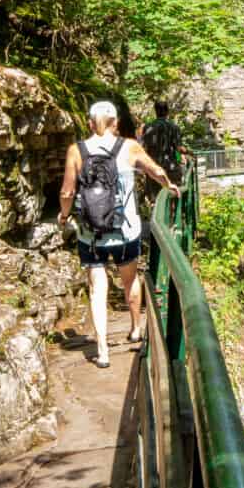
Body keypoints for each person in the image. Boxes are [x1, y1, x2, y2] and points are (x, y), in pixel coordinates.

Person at [58, 100, 179, 368]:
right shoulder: (130, 147)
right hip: (126, 232)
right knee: (130, 280)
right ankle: (136, 328)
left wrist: (65, 216)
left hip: (91, 234)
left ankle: (102, 350)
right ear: (116, 123)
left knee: (96, 289)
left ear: (90, 123)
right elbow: (155, 170)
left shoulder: (76, 151)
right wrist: (169, 186)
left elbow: (67, 192)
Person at [139, 100, 192, 183]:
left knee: (156, 196)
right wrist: (188, 153)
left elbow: (144, 148)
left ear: (156, 111)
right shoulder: (174, 127)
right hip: (171, 170)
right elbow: (178, 149)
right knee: (172, 194)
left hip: (153, 171)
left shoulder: (147, 127)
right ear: (167, 111)